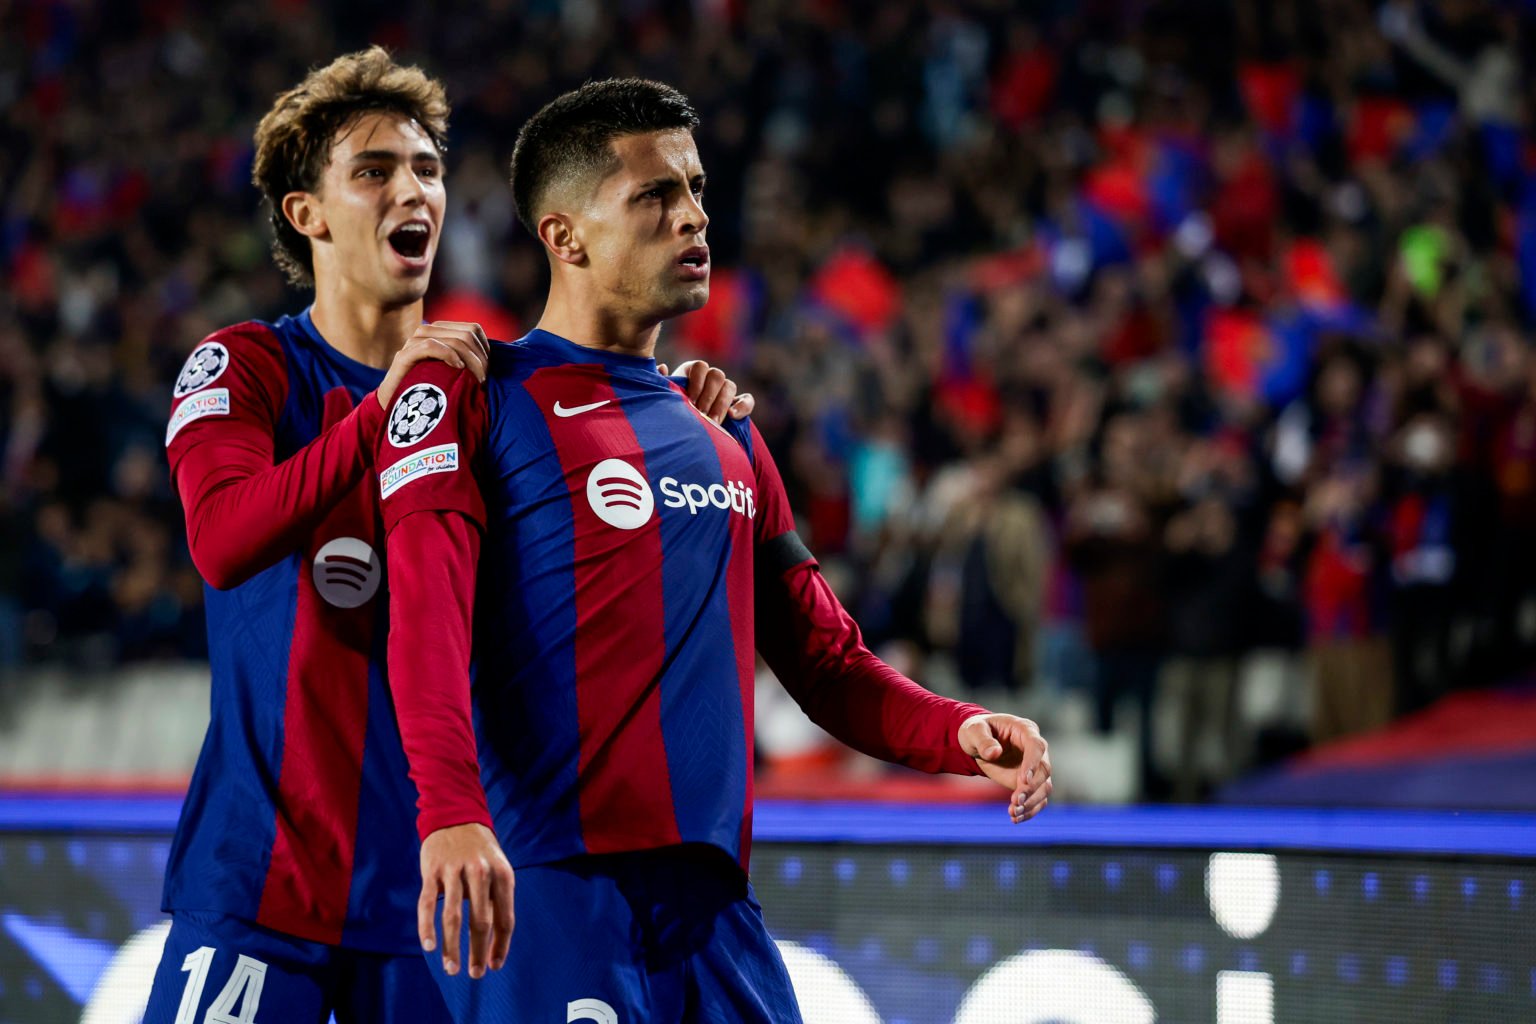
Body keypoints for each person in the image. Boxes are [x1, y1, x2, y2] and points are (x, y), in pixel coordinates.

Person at [376, 78, 1052, 1022]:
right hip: (552, 891)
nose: (692, 217)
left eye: (695, 190)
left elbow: (824, 660)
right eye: (653, 197)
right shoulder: (477, 396)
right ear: (564, 236)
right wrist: (449, 811)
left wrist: (954, 730)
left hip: (715, 912)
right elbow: (423, 621)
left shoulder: (725, 429)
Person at [144, 50, 748, 1024]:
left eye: (426, 166)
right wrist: (381, 412)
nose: (413, 188)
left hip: (444, 901)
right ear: (308, 213)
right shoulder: (246, 366)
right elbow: (221, 538)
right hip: (266, 888)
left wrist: (684, 411)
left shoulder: (496, 390)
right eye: (374, 170)